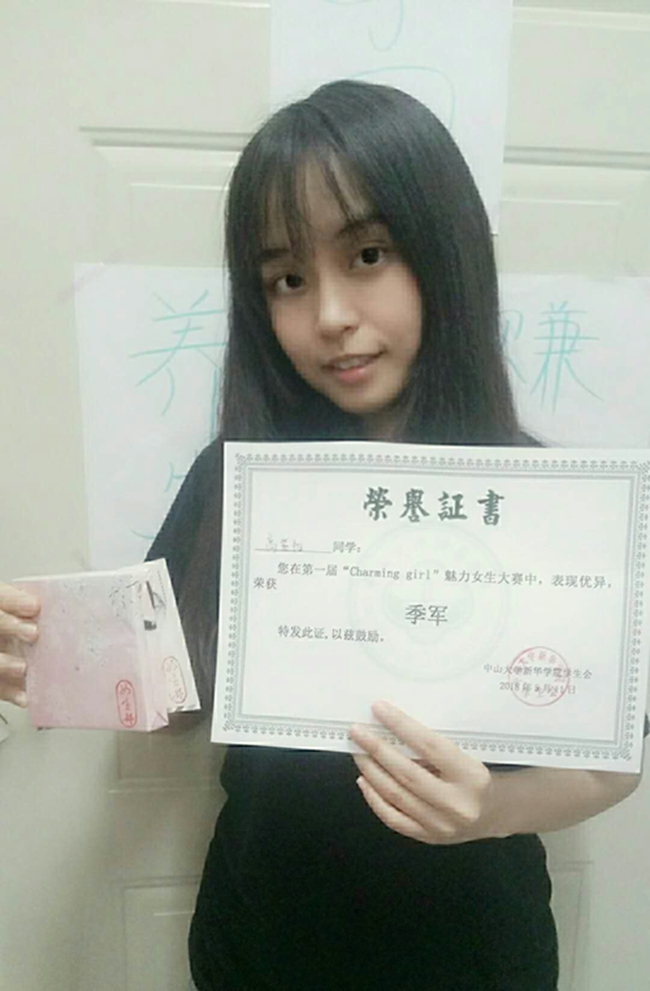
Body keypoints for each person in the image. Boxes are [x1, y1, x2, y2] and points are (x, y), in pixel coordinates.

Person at [0, 80, 644, 991]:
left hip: (470, 949)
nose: (330, 314)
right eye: (288, 279)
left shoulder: (548, 499)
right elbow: (175, 695)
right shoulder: (236, 478)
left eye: (368, 254)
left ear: (446, 252)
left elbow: (614, 758)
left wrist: (494, 807)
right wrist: (50, 655)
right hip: (263, 938)